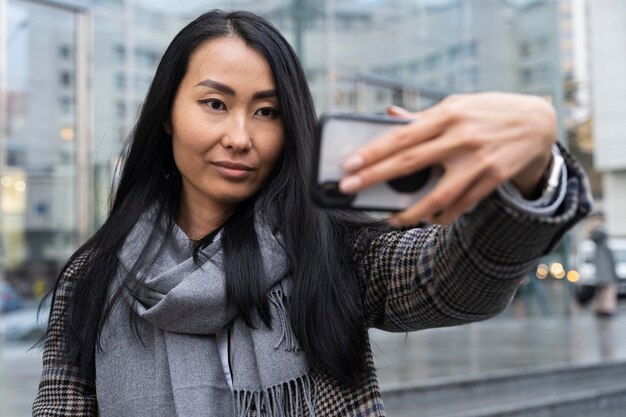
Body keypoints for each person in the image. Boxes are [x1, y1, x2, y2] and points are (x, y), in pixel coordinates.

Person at [32, 9, 592, 417]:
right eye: (214, 103)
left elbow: (459, 282)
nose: (239, 137)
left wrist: (533, 168)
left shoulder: (329, 249)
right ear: (167, 115)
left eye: (268, 111)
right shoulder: (95, 277)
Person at [590, 224, 618, 317]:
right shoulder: (604, 250)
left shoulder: (598, 250)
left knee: (602, 292)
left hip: (603, 276)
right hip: (607, 276)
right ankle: (606, 309)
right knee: (608, 291)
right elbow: (611, 265)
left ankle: (602, 308)